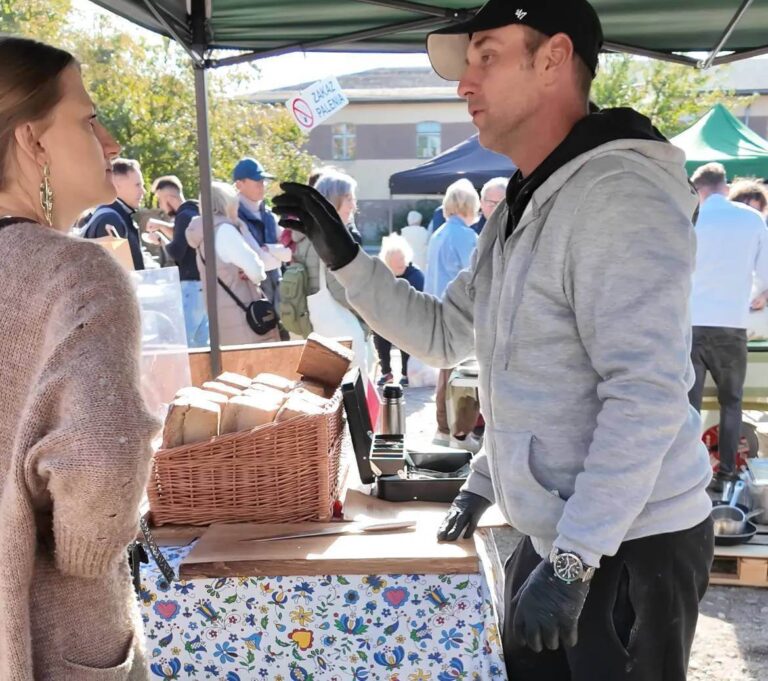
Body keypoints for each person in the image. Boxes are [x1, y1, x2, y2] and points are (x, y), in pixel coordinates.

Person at [273, 1, 714, 679]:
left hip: (631, 542)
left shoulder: (618, 193)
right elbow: (454, 335)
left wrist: (571, 564)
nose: (464, 83)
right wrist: (347, 262)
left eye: (486, 56)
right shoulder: (521, 199)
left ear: (553, 59)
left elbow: (647, 395)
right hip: (568, 532)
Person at [0, 36, 160, 678]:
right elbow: (103, 458)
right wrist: (85, 554)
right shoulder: (77, 275)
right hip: (47, 630)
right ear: (33, 142)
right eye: (89, 119)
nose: (111, 141)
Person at [688, 163, 768, 490]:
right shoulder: (752, 219)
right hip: (732, 326)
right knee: (731, 403)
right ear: (725, 184)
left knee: (688, 405)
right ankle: (727, 475)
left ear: (698, 189)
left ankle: (688, 475)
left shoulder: (689, 219)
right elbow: (765, 277)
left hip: (690, 324)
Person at [186, 181, 278, 346]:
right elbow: (257, 271)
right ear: (227, 204)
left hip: (223, 317)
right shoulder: (224, 231)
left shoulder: (202, 234)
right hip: (244, 318)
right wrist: (248, 271)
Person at [424, 179, 480, 446]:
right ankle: (460, 432)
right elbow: (478, 278)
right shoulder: (467, 237)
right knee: (463, 377)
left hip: (437, 310)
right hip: (460, 314)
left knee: (446, 373)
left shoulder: (437, 234)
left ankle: (444, 429)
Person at [146, 175, 209, 347]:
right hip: (203, 285)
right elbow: (183, 239)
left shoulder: (183, 216)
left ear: (169, 199)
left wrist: (159, 240)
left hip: (190, 286)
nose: (160, 206)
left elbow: (176, 252)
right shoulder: (195, 212)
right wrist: (161, 227)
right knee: (202, 342)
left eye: (160, 200)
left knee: (185, 342)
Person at [233, 157, 291, 311]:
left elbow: (291, 253)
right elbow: (259, 260)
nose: (262, 185)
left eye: (263, 181)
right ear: (239, 184)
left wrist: (269, 249)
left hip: (278, 292)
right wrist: (278, 253)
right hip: (251, 295)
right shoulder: (234, 216)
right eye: (256, 181)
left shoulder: (270, 215)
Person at [375, 234, 425, 386]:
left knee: (406, 332)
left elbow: (419, 304)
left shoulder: (416, 275)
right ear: (388, 262)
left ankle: (406, 373)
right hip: (388, 315)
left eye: (403, 260)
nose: (401, 264)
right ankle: (386, 372)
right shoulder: (382, 274)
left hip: (409, 317)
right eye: (396, 262)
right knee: (378, 330)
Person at [82, 156, 147, 270]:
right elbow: (113, 274)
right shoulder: (110, 219)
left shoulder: (113, 215)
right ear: (117, 185)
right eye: (138, 185)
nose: (143, 191)